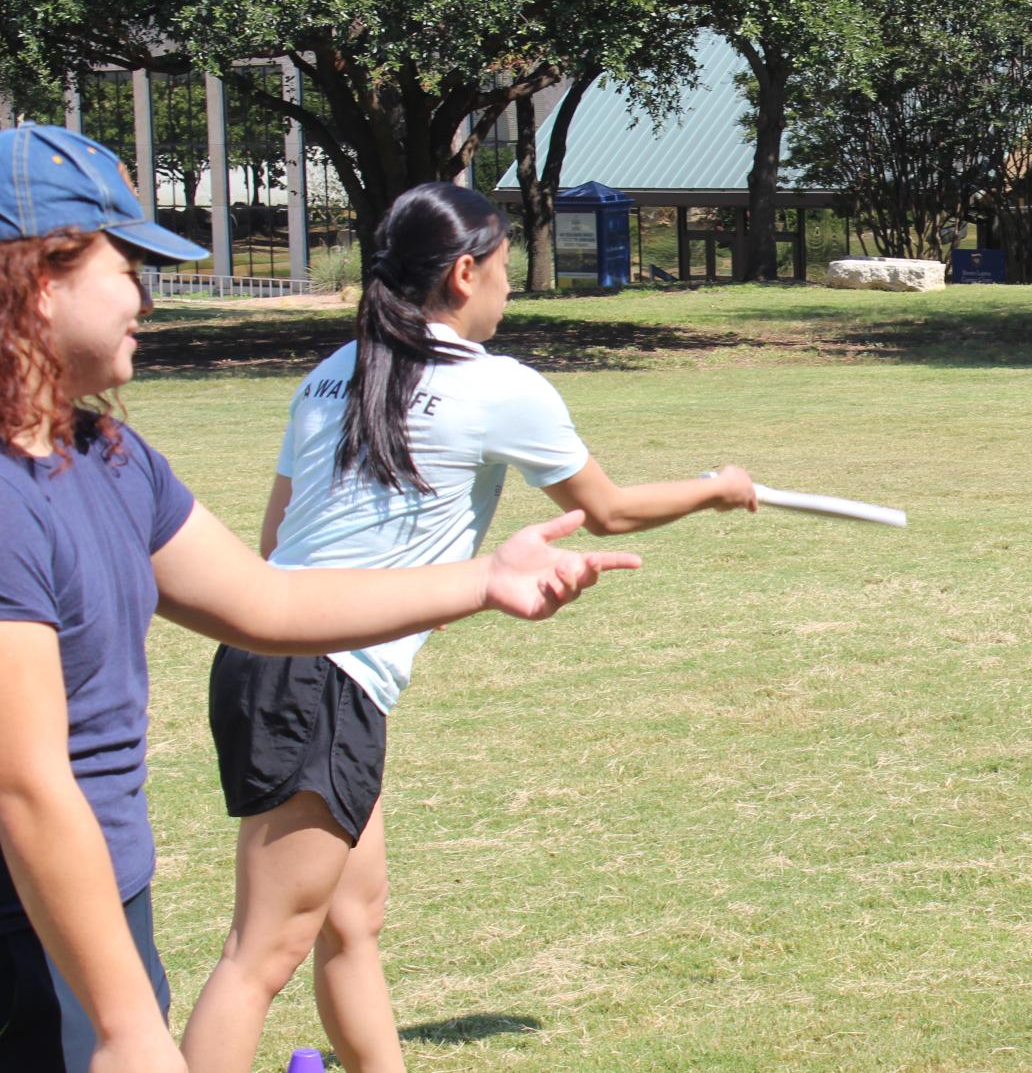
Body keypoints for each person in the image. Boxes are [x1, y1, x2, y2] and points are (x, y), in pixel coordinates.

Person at [0, 124, 638, 1073]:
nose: (144, 293)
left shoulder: (109, 459)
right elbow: (25, 782)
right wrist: (130, 1027)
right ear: (39, 277)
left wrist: (480, 580)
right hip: (29, 912)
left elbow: (265, 599)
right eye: (126, 262)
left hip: (101, 893)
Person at [179, 182, 759, 1073]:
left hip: (274, 662)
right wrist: (717, 488)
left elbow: (276, 542)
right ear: (462, 273)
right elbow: (606, 511)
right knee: (260, 953)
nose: (508, 290)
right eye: (502, 271)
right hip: (321, 681)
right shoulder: (496, 387)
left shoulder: (329, 372)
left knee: (352, 921)